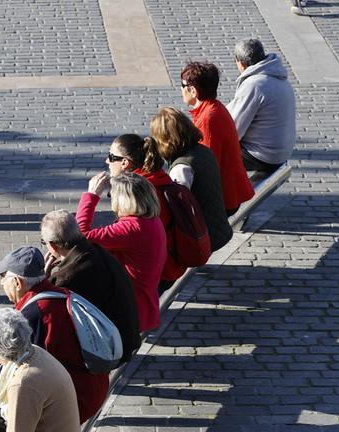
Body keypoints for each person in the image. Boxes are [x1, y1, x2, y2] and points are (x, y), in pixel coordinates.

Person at [0, 246, 109, 424]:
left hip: (73, 403)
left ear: (17, 283)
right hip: (93, 387)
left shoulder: (31, 317)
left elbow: (23, 376)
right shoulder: (58, 294)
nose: (1, 283)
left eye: (3, 277)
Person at [40, 210, 142, 363]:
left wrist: (44, 278)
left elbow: (44, 309)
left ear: (53, 246)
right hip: (127, 337)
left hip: (111, 349)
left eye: (44, 242)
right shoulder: (96, 250)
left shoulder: (66, 278)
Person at [76, 172, 167, 333]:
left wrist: (91, 195)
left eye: (111, 194)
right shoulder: (150, 220)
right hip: (142, 302)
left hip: (130, 307)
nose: (111, 198)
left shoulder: (133, 227)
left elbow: (81, 235)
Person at [101, 133, 188, 295]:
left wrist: (91, 197)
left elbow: (89, 236)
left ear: (125, 162)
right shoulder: (157, 178)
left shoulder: (139, 192)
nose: (107, 161)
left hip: (160, 272)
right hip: (172, 264)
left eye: (111, 157)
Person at [149, 107, 232, 252]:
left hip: (204, 237)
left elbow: (175, 209)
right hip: (218, 227)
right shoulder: (203, 151)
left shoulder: (182, 167)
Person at [180, 61, 254, 215]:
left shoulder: (209, 118)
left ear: (193, 91)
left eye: (182, 86)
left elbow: (207, 166)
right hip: (229, 190)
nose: (181, 90)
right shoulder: (214, 107)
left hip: (224, 198)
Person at [228, 39, 297, 181]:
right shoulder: (277, 76)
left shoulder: (254, 85)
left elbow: (234, 130)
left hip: (263, 155)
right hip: (282, 151)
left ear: (241, 63)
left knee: (208, 154)